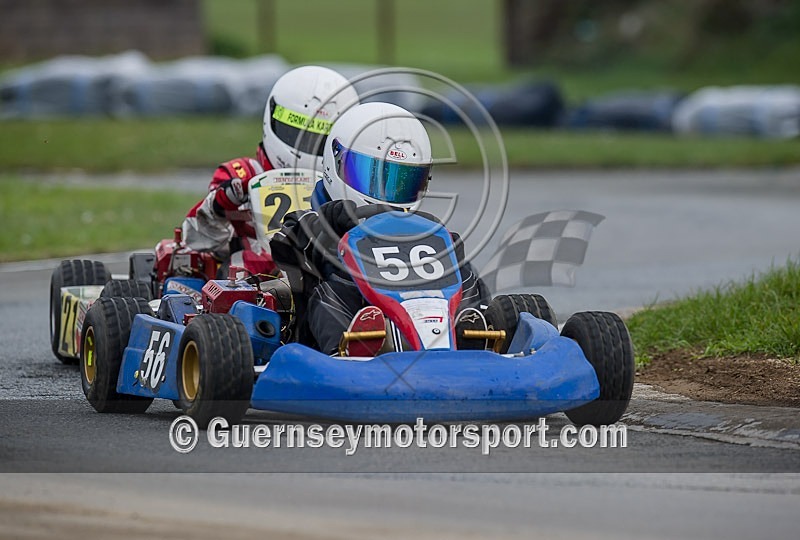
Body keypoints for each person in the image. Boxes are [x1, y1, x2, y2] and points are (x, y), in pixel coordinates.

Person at [270, 102, 491, 354]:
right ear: (336, 161)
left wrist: (449, 249)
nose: (386, 195)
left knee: (466, 275)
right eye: (372, 176)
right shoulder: (312, 221)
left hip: (421, 316)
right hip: (341, 331)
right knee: (331, 293)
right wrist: (328, 225)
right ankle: (354, 348)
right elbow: (282, 244)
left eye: (401, 182)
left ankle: (474, 334)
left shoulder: (424, 229)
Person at [181, 66, 360, 276]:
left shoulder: (347, 184)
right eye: (297, 132)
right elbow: (201, 240)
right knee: (237, 264)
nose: (308, 145)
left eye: (320, 138)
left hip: (325, 269)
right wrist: (222, 203)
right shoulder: (242, 175)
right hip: (256, 279)